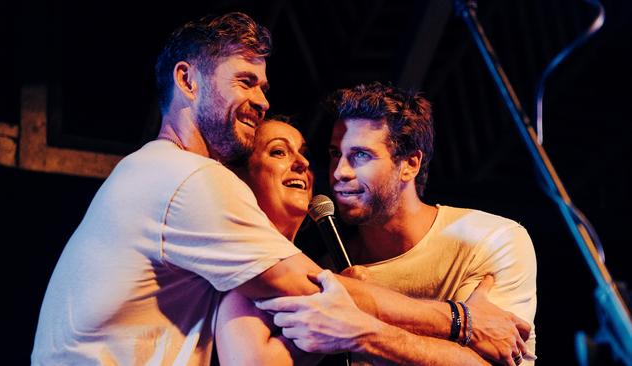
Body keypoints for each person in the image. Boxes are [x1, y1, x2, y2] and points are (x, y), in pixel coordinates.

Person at [32, 12, 529, 365]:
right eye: (246, 81)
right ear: (187, 80)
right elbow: (314, 290)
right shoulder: (186, 179)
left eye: (264, 87)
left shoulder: (153, 172)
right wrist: (462, 321)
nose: (261, 99)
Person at [256, 82, 537, 366]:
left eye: (361, 155)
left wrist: (360, 332)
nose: (339, 172)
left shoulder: (489, 239)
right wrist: (460, 322)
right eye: (335, 154)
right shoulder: (329, 272)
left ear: (410, 164)